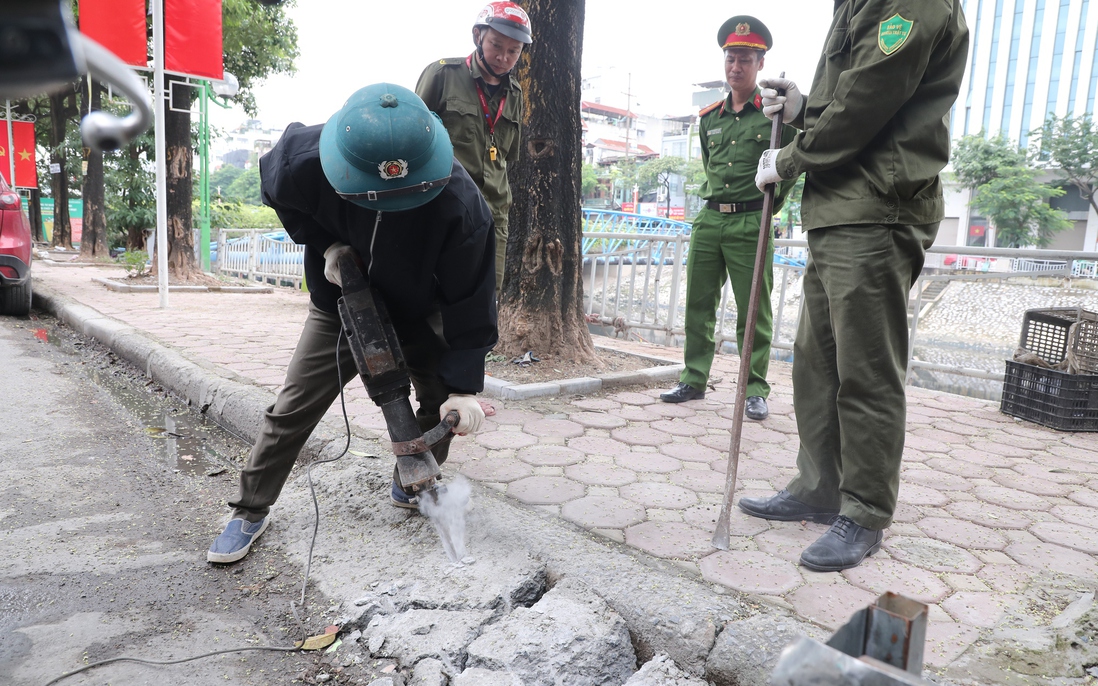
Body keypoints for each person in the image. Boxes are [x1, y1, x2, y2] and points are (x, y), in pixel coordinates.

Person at [207, 83, 498, 564]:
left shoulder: (460, 205)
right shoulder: (301, 161)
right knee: (294, 405)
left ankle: (413, 481)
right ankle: (249, 509)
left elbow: (472, 296)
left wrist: (465, 388)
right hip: (339, 301)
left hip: (418, 307)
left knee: (438, 395)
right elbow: (281, 197)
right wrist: (326, 246)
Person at [743, 1, 969, 571]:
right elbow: (849, 92)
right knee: (816, 362)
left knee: (865, 370)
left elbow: (869, 97)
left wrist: (790, 158)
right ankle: (819, 487)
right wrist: (803, 109)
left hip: (878, 205)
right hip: (839, 206)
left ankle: (865, 511)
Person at [659, 16, 795, 423]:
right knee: (698, 305)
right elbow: (709, 165)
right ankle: (693, 379)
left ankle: (754, 389)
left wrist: (770, 208)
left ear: (760, 64)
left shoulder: (774, 115)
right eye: (731, 58)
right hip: (710, 220)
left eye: (745, 60)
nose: (736, 67)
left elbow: (789, 165)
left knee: (753, 311)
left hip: (751, 222)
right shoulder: (709, 118)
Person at [416, 1, 531, 293]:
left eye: (513, 51)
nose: (503, 57)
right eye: (496, 45)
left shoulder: (515, 94)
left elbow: (505, 158)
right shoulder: (442, 74)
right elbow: (414, 142)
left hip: (494, 215)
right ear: (478, 36)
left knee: (486, 297)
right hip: (445, 209)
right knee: (434, 294)